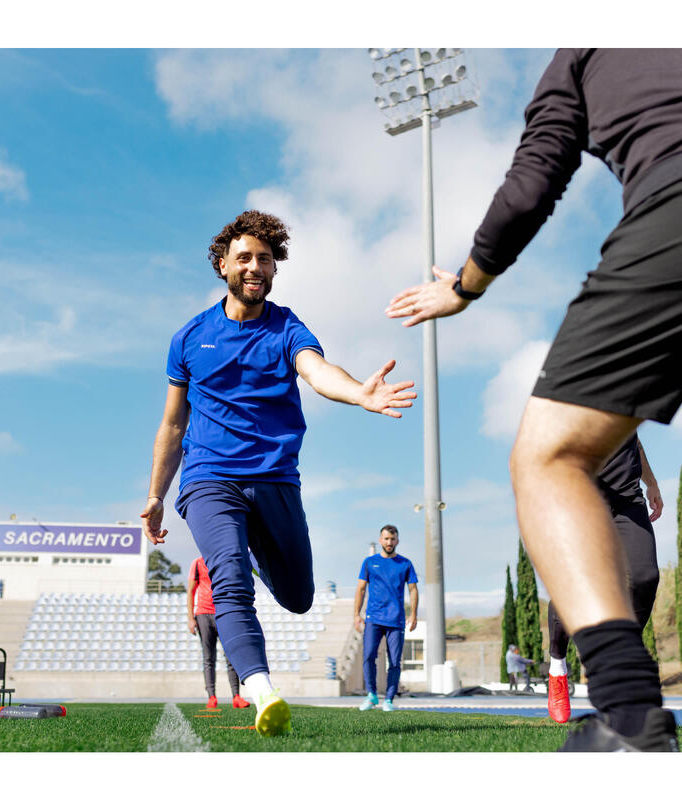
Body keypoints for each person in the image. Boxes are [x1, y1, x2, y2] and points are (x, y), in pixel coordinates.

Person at [385, 48, 682, 751]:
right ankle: (564, 669)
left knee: (546, 458)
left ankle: (631, 722)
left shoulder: (585, 46)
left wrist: (464, 285)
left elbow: (533, 181)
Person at [141, 210, 417, 737]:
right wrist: (156, 493)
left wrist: (359, 391)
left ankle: (260, 557)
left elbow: (316, 370)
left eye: (264, 259)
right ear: (222, 264)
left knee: (298, 596)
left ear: (274, 270)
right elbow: (173, 423)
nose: (254, 267)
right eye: (243, 257)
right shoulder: (189, 337)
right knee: (229, 576)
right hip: (208, 477)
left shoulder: (287, 327)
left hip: (274, 480)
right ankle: (261, 688)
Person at [547, 434, 662, 723]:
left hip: (629, 501)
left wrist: (652, 482)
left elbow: (633, 440)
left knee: (645, 576)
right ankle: (557, 667)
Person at [354, 524, 418, 711]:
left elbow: (413, 589)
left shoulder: (405, 563)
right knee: (368, 657)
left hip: (396, 621)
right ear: (381, 540)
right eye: (386, 539)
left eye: (392, 539)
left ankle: (389, 700)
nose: (389, 542)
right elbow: (360, 588)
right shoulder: (369, 562)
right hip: (373, 618)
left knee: (395, 661)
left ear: (397, 540)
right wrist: (356, 615)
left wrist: (413, 614)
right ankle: (372, 695)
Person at [187, 555, 251, 709]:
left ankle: (236, 696)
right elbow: (190, 591)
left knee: (231, 656)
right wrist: (191, 618)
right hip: (203, 614)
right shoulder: (197, 563)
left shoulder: (223, 560)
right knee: (209, 658)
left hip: (224, 613)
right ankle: (212, 697)